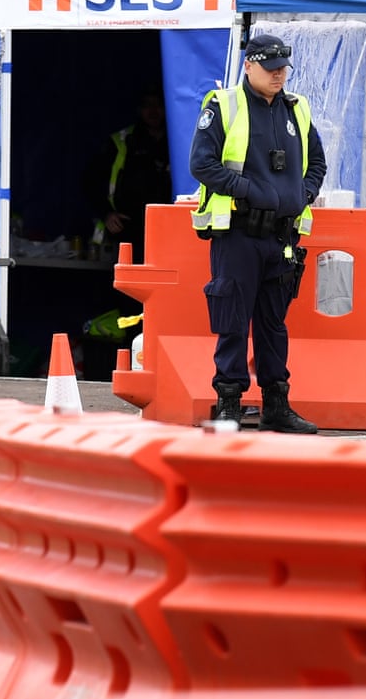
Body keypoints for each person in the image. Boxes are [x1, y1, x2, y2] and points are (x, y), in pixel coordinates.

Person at [188, 32, 327, 433]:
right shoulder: (224, 106)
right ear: (248, 65)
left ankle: (276, 405)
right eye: (270, 68)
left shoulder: (297, 109)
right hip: (239, 232)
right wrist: (250, 191)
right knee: (232, 319)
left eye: (283, 68)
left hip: (281, 237)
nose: (279, 75)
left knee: (273, 324)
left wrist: (304, 193)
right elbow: (202, 164)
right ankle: (229, 403)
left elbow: (316, 161)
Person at [87, 83, 172, 271]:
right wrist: (106, 214)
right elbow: (91, 181)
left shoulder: (178, 142)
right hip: (127, 233)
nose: (153, 111)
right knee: (123, 292)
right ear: (139, 110)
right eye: (147, 105)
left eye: (158, 105)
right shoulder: (122, 141)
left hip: (168, 233)